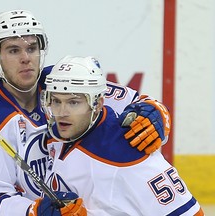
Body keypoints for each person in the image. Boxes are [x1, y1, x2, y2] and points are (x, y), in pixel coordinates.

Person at [0, 9, 171, 215]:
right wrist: (34, 211)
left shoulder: (63, 82)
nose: (26, 58)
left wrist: (155, 113)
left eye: (31, 48)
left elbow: (137, 103)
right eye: (14, 50)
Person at [40, 55, 205, 216]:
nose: (62, 113)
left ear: (97, 104)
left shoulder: (128, 153)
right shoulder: (58, 130)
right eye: (56, 101)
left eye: (73, 102)